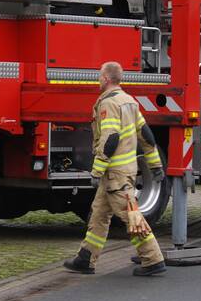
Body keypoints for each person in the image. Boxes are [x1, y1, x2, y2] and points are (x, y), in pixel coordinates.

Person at [64, 61, 167, 277]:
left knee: (131, 216)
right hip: (123, 171)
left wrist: (97, 170)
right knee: (99, 214)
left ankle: (152, 258)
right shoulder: (129, 101)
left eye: (99, 76)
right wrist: (155, 164)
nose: (98, 80)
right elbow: (146, 135)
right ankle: (86, 257)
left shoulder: (108, 104)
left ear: (105, 79)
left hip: (115, 174)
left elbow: (110, 139)